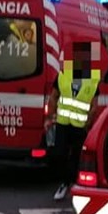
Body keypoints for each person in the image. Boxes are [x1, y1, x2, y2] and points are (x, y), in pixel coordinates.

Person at [45, 41, 102, 201]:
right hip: (62, 122)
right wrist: (50, 117)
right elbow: (53, 96)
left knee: (77, 157)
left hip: (80, 126)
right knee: (58, 154)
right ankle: (65, 181)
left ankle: (68, 183)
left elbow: (94, 105)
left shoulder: (93, 80)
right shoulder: (63, 75)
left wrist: (89, 122)